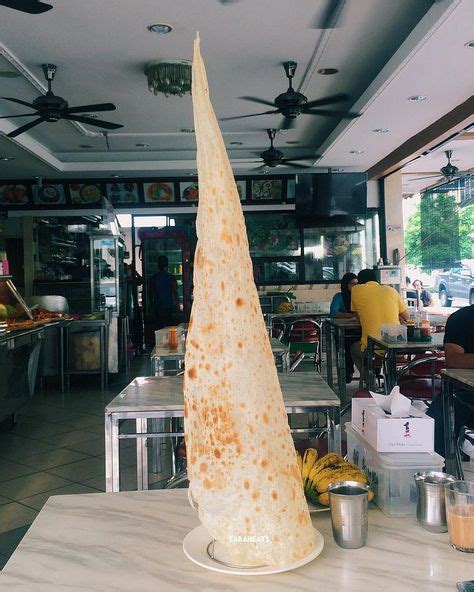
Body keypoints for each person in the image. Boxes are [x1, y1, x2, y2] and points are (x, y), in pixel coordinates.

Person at [427, 304, 474, 457]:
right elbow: (453, 359)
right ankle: (440, 474)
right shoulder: (462, 318)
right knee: (438, 423)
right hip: (465, 394)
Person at [350, 268, 409, 378]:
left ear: (360, 282)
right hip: (397, 346)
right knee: (387, 355)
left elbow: (357, 317)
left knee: (353, 348)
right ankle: (392, 380)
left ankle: (370, 382)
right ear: (377, 280)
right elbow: (407, 317)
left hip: (372, 349)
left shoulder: (356, 290)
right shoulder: (391, 290)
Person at [330, 272, 359, 383]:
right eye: (352, 284)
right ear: (345, 285)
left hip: (358, 331)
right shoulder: (339, 297)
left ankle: (369, 374)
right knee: (346, 347)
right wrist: (351, 316)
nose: (355, 287)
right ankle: (347, 373)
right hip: (344, 332)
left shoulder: (361, 296)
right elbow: (333, 313)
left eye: (357, 284)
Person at [149, 255, 179, 330]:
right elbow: (175, 293)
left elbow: (150, 294)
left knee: (159, 329)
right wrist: (177, 306)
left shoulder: (154, 278)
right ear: (167, 265)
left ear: (158, 265)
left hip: (158, 308)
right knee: (169, 329)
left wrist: (151, 307)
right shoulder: (171, 277)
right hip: (169, 307)